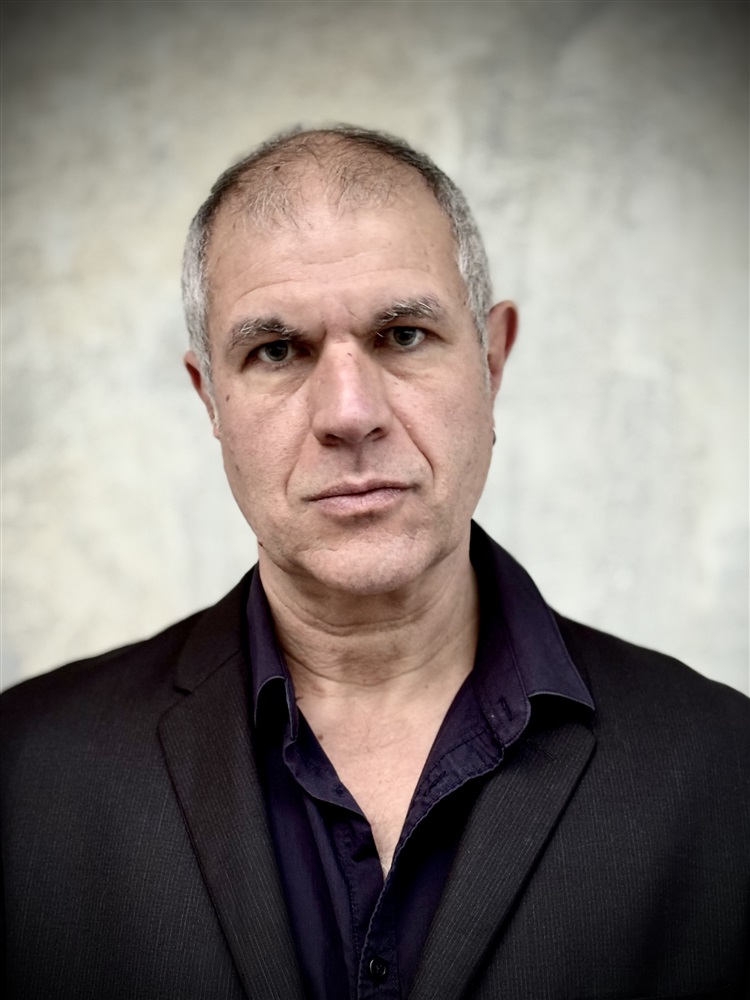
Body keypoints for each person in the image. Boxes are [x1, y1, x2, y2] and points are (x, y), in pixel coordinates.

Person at [1, 125, 748, 1000]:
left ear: (493, 360)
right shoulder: (23, 777)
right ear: (210, 399)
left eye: (402, 335)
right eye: (277, 351)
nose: (350, 414)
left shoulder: (726, 772)